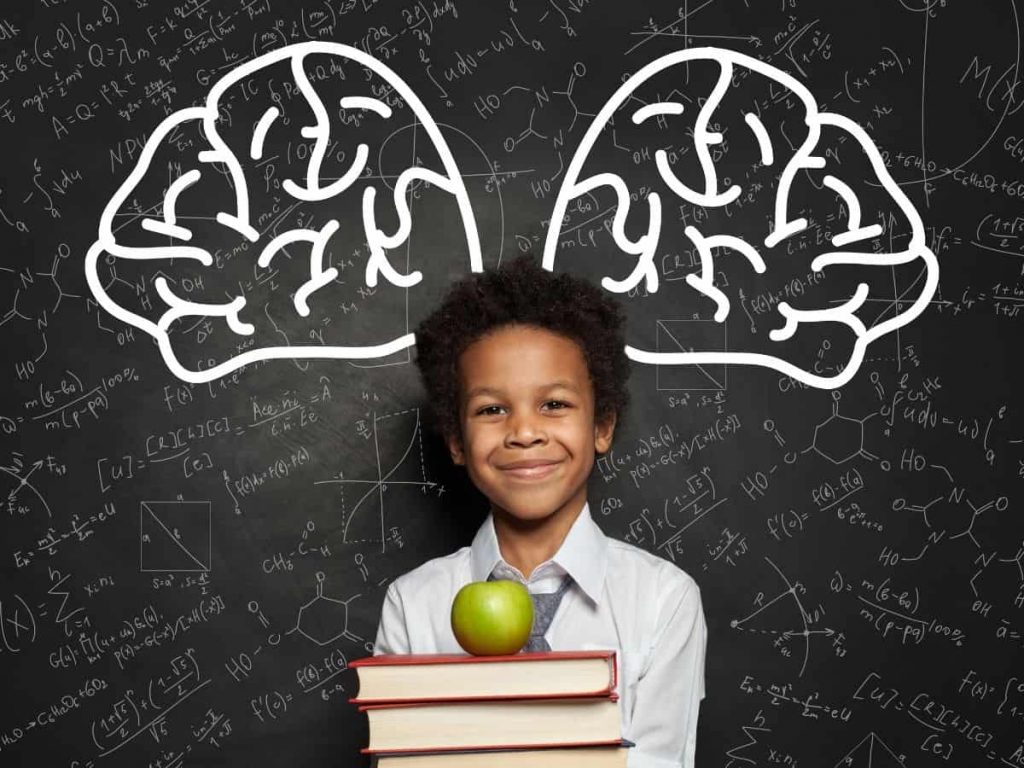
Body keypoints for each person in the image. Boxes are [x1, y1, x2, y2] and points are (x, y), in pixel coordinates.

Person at [373, 254, 707, 768]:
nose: (525, 432)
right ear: (457, 441)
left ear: (602, 426)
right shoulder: (413, 605)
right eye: (491, 409)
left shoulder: (663, 600)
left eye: (554, 404)